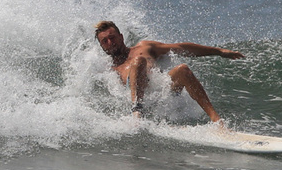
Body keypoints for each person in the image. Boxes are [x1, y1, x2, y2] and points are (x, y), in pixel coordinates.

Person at [93, 20, 244, 123]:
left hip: (162, 96)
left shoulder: (144, 47)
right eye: (104, 41)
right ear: (101, 46)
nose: (110, 43)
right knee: (138, 62)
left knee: (182, 70)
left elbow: (181, 48)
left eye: (112, 38)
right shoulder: (108, 70)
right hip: (139, 105)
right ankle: (137, 114)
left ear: (121, 37)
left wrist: (218, 51)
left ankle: (217, 121)